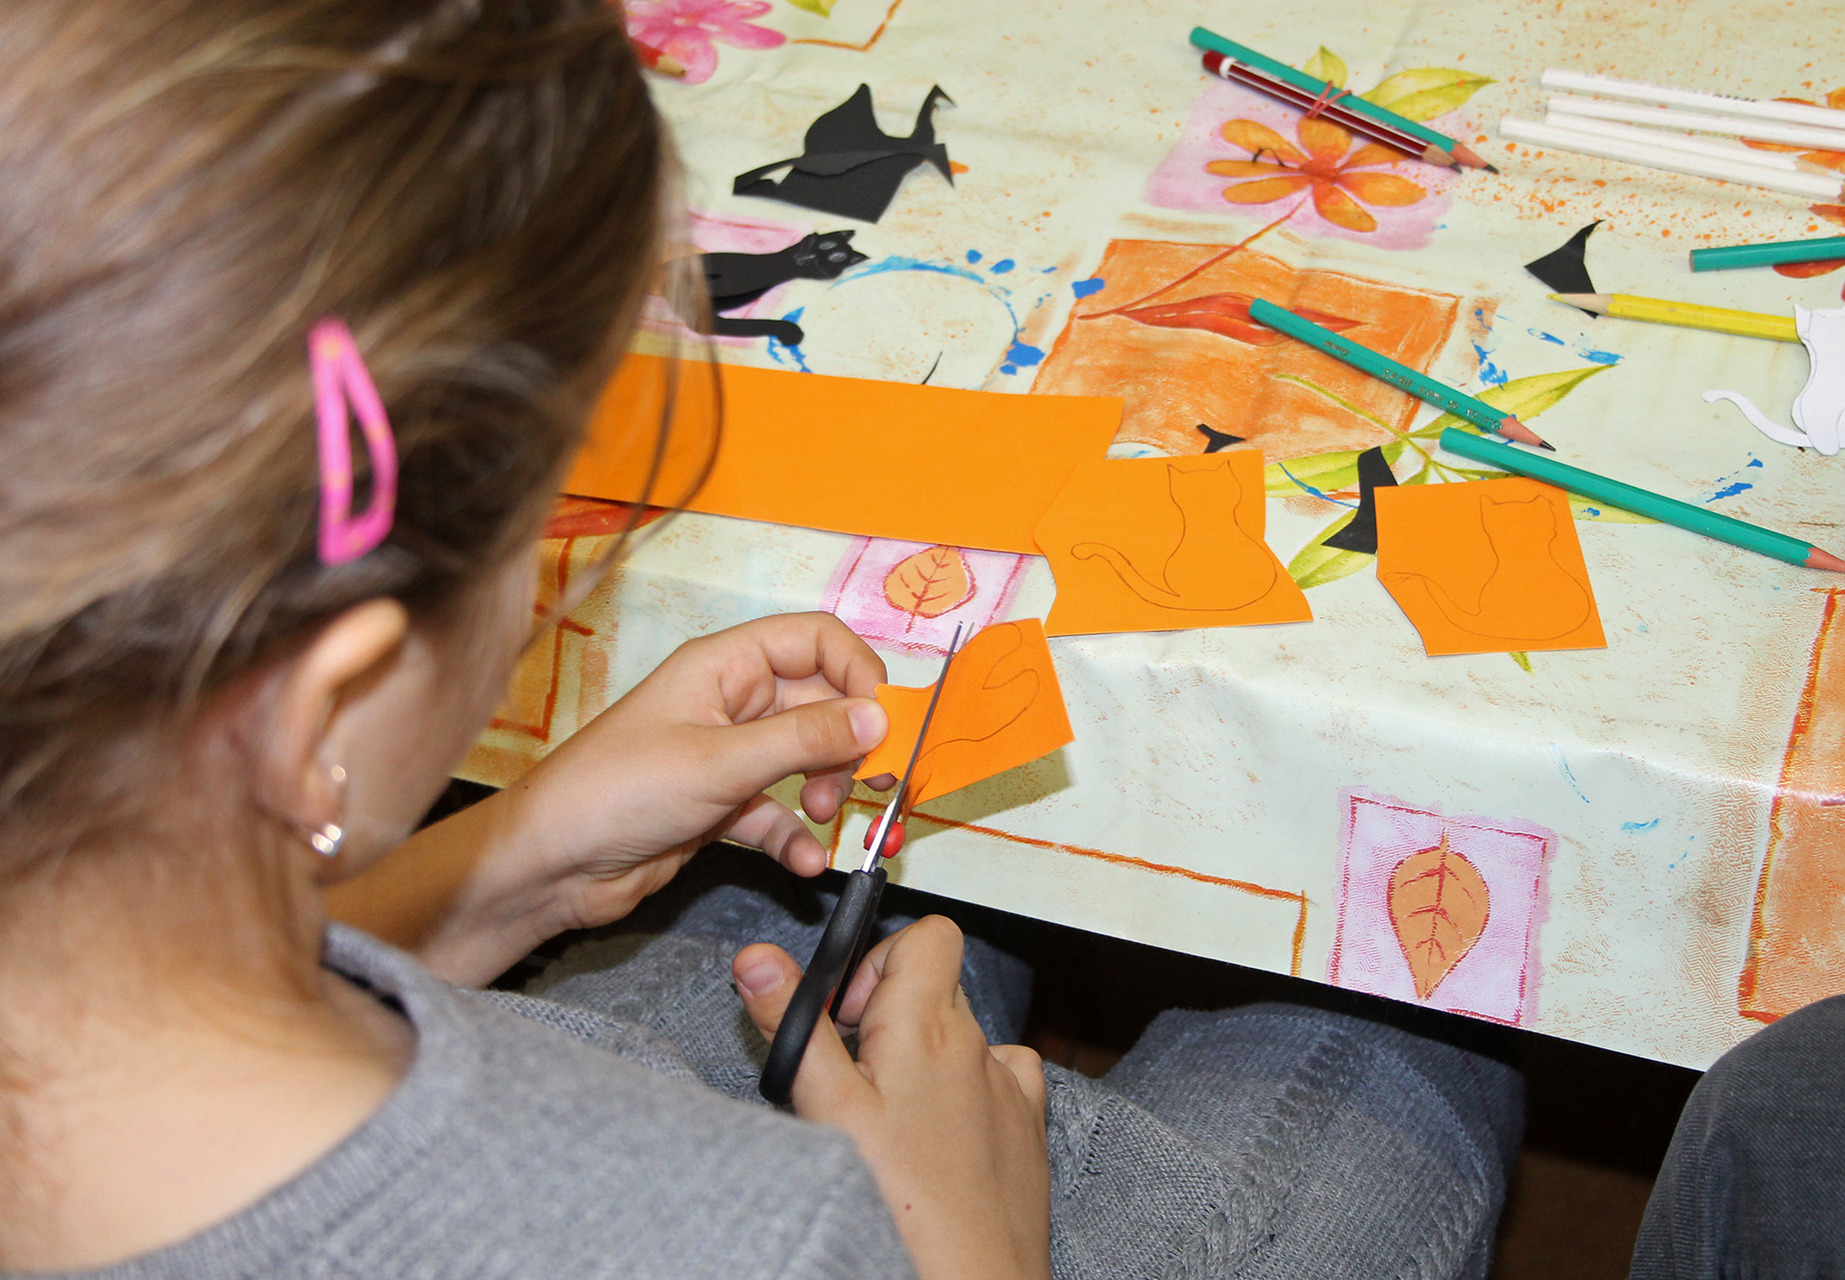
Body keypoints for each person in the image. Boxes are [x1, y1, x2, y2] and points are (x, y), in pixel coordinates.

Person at [0, 2, 1522, 1277]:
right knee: (1385, 1047)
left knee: (831, 924)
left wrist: (508, 865)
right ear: (322, 711)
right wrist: (960, 1241)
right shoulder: (778, 1233)